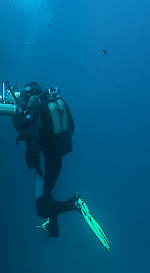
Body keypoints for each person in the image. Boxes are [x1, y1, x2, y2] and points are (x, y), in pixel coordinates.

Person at [10, 82, 109, 249]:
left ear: (34, 94)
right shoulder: (54, 106)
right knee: (46, 194)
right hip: (54, 161)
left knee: (41, 209)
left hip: (46, 163)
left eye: (26, 96)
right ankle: (53, 227)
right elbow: (72, 127)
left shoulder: (38, 108)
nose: (24, 99)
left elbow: (22, 124)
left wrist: (14, 113)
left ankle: (74, 204)